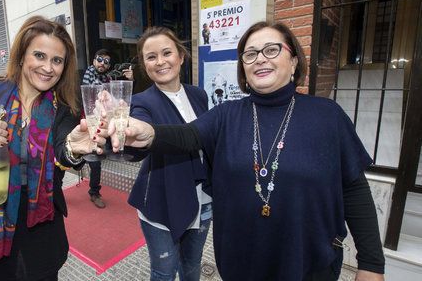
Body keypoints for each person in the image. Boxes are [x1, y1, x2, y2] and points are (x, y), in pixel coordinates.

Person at [109, 21, 386, 280]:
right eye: (250, 54)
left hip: (307, 265)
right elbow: (188, 134)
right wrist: (149, 133)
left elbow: (354, 189)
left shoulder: (328, 116)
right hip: (241, 264)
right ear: (243, 69)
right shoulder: (227, 115)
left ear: (293, 61)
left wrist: (371, 263)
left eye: (272, 49)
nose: (260, 58)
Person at [0, 16, 104, 281]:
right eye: (39, 55)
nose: (48, 67)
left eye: (57, 60)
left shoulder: (64, 108)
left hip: (42, 223)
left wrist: (73, 149)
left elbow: (64, 147)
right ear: (22, 55)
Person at [130, 27, 212, 281]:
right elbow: (138, 142)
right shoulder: (141, 101)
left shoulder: (199, 95)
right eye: (151, 57)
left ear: (181, 56)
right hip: (162, 198)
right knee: (164, 271)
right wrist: (134, 137)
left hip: (203, 197)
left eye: (167, 53)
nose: (161, 61)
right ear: (145, 65)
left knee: (192, 265)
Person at [82, 48, 133, 208]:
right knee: (94, 161)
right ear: (93, 60)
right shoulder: (85, 77)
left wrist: (130, 81)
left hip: (106, 124)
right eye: (99, 59)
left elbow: (120, 98)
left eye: (106, 61)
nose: (102, 63)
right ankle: (94, 192)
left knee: (102, 156)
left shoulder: (109, 80)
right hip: (89, 125)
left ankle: (94, 191)